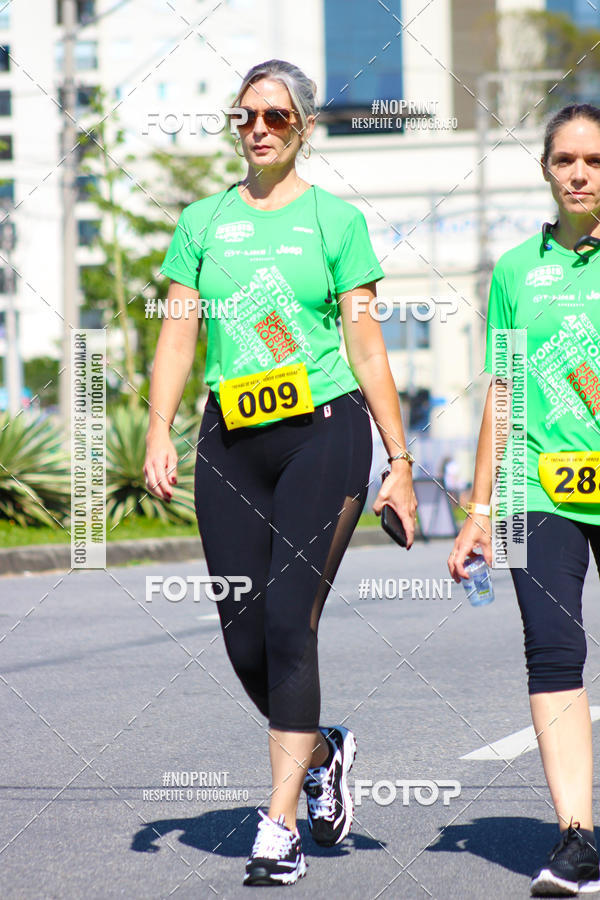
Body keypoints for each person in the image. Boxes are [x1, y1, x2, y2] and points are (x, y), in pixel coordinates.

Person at [144, 59, 417, 887]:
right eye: (245, 115)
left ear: (303, 126)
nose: (258, 128)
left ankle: (280, 824)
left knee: (291, 621)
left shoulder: (336, 223)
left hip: (322, 431)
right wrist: (159, 429)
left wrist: (400, 462)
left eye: (276, 115)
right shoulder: (201, 221)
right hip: (230, 438)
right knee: (243, 627)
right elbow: (178, 336)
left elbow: (365, 343)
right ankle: (325, 750)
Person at [448, 103, 600, 897]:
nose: (580, 174)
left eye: (596, 162)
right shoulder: (513, 272)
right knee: (551, 652)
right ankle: (576, 838)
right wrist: (478, 510)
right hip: (536, 491)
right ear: (545, 169)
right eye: (566, 160)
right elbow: (501, 395)